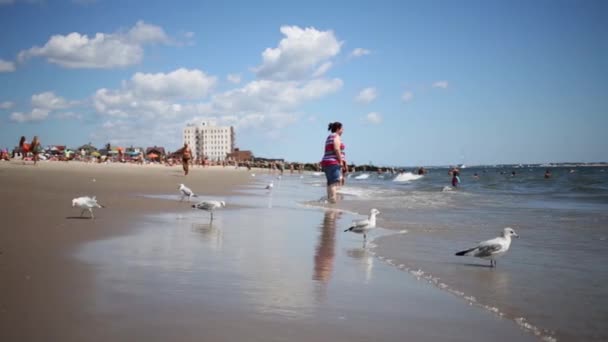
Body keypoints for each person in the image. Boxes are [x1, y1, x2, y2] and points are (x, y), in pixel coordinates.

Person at [321, 122, 346, 203]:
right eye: (342, 129)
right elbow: (336, 149)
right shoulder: (336, 136)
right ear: (338, 129)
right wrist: (341, 161)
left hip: (326, 162)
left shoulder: (329, 136)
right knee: (334, 183)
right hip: (333, 162)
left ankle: (330, 200)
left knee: (330, 182)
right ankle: (332, 201)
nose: (343, 131)